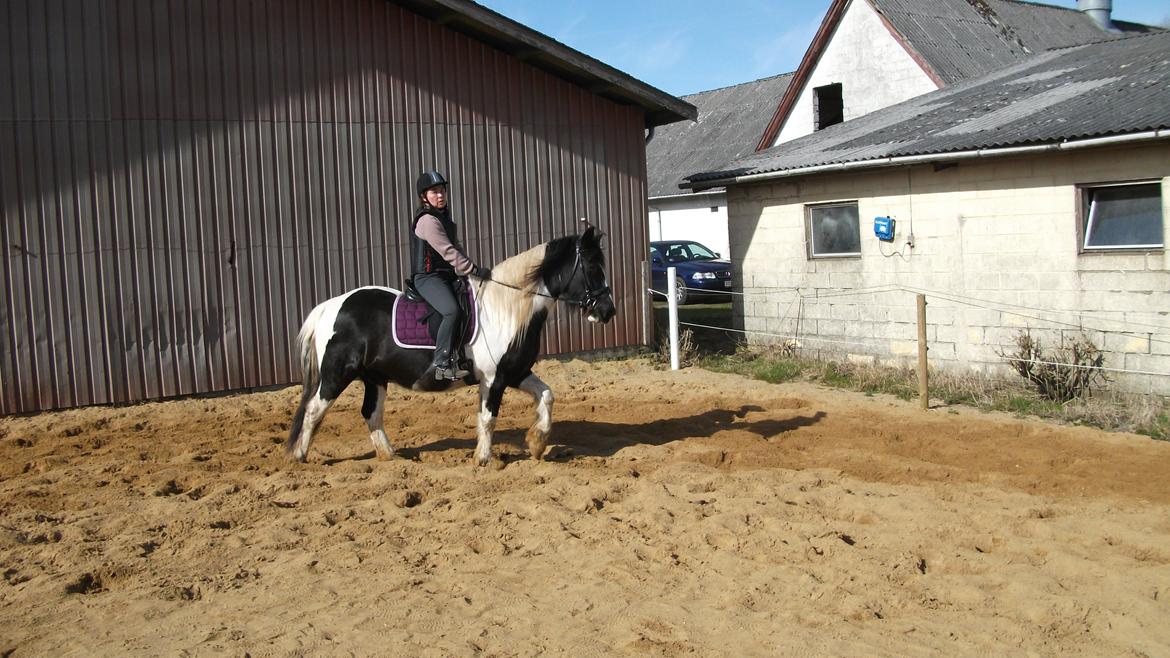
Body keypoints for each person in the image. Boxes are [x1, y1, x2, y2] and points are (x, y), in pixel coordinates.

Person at [410, 171, 491, 380]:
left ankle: (461, 356)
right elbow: (447, 251)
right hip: (427, 277)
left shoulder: (443, 218)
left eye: (442, 190)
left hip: (445, 276)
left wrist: (472, 269)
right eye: (434, 192)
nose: (440, 195)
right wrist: (472, 269)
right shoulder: (427, 220)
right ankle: (442, 363)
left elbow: (457, 248)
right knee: (451, 311)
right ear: (423, 196)